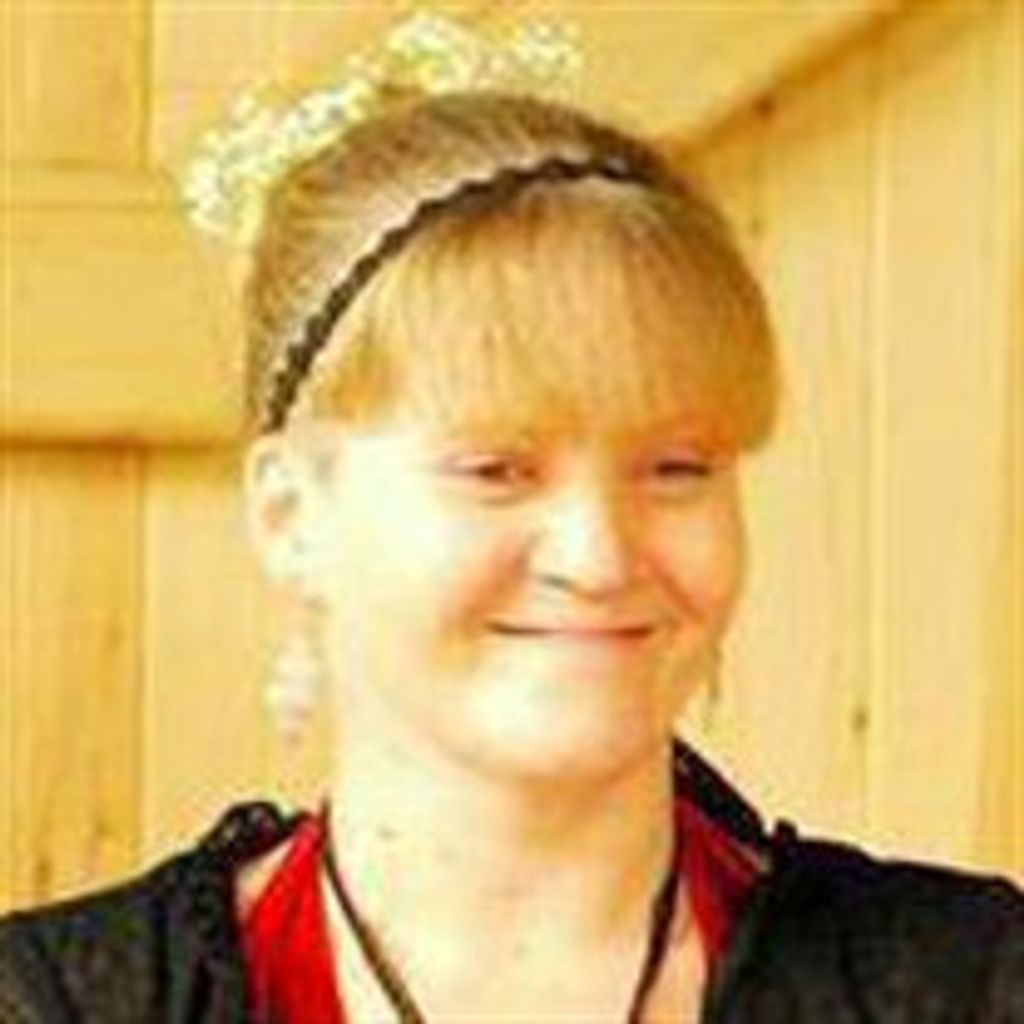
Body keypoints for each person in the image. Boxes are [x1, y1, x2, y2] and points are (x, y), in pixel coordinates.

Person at [1, 89, 1021, 1024]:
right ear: (290, 514)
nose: (598, 555)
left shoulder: (971, 982)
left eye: (675, 467)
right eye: (496, 469)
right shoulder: (59, 1004)